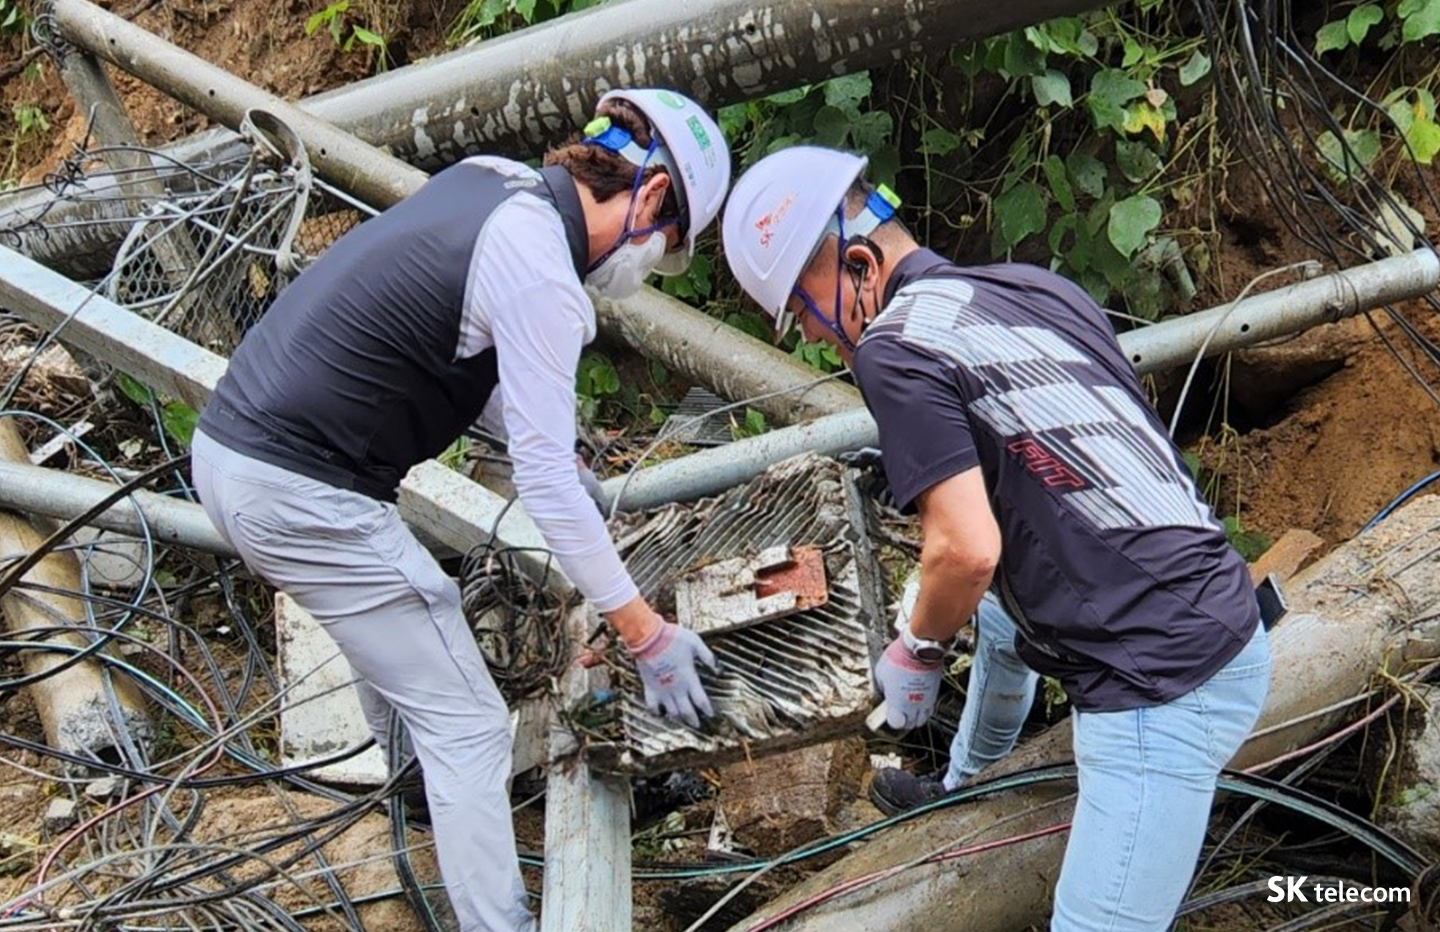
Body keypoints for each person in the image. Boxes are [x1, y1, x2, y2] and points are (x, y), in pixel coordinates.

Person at [190, 89, 730, 932]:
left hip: (232, 453)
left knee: (405, 653)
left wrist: (551, 449)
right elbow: (546, 490)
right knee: (470, 721)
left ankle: (419, 802)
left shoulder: (491, 181)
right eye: (663, 251)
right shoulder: (545, 274)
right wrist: (647, 635)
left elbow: (455, 348)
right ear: (653, 197)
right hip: (299, 490)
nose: (646, 269)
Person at [722, 145, 1271, 932]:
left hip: (1158, 677)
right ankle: (967, 783)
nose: (820, 343)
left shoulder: (893, 346)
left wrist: (918, 653)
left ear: (859, 267)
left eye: (809, 316)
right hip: (1209, 595)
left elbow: (966, 550)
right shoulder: (1024, 287)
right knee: (1005, 619)